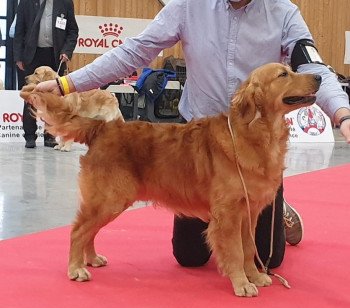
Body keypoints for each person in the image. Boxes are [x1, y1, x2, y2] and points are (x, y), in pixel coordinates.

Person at [35, 0, 350, 270]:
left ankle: (270, 200)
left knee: (267, 260)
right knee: (189, 257)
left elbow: (314, 68)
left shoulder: (283, 12)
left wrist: (342, 114)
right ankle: (254, 201)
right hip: (201, 145)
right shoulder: (188, 6)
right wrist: (68, 84)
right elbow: (135, 51)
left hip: (255, 142)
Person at [13, 0, 79, 148]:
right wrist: (18, 57)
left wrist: (67, 51)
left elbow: (72, 31)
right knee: (31, 96)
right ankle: (30, 136)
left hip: (55, 56)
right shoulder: (25, 3)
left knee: (54, 98)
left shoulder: (65, 3)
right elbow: (19, 31)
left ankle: (50, 135)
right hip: (32, 55)